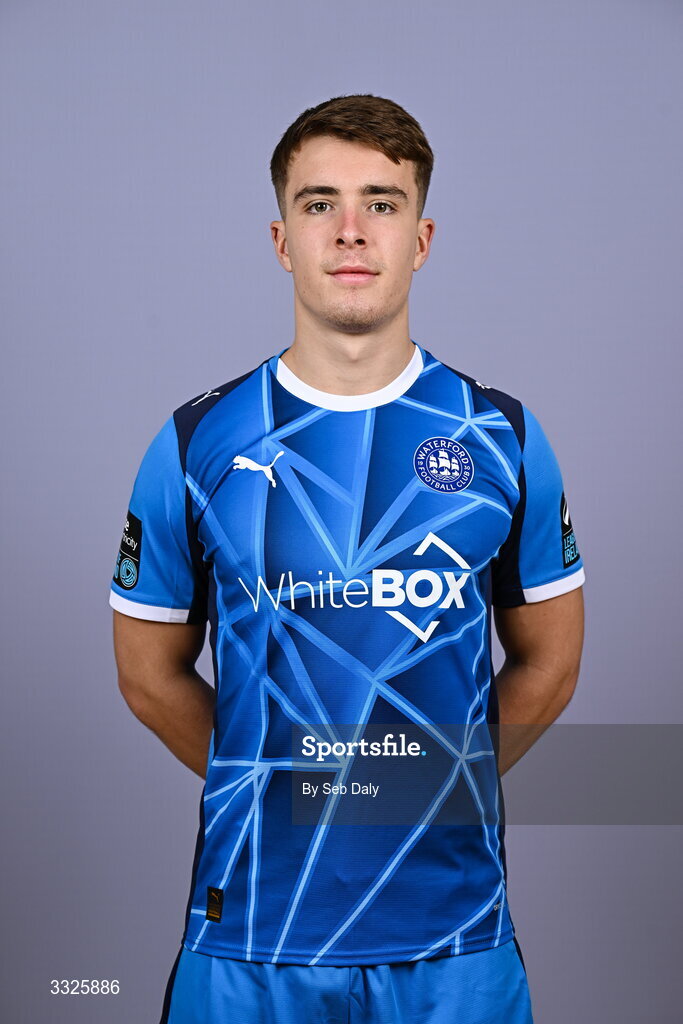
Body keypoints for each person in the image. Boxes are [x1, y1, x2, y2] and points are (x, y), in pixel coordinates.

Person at [110, 94, 585, 1024]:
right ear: (283, 238)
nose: (352, 231)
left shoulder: (502, 437)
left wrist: (413, 789)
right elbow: (146, 675)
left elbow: (552, 663)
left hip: (456, 939)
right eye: (320, 203)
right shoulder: (194, 442)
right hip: (252, 932)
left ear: (423, 236)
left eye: (383, 202)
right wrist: (284, 790)